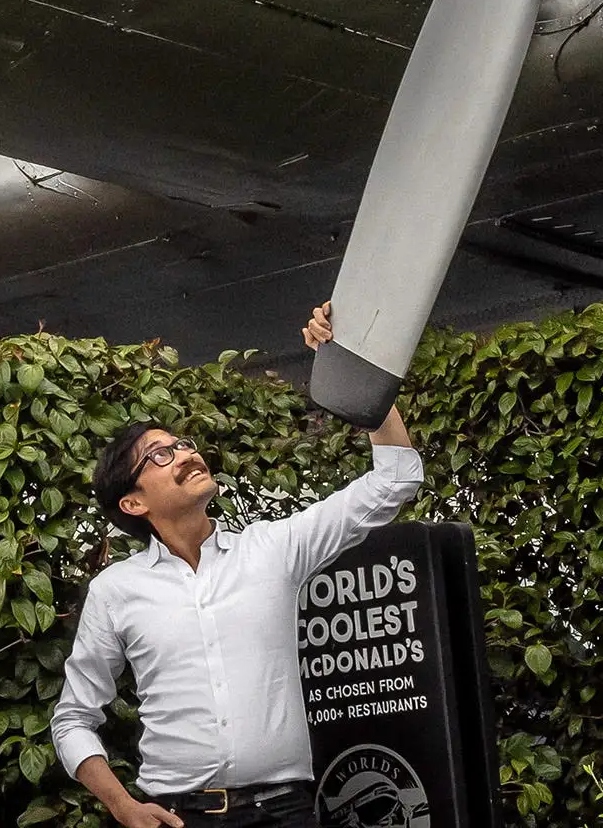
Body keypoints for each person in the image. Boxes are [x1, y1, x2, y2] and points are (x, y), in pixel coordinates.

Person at [52, 301, 422, 828]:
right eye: (159, 456)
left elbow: (395, 479)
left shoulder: (272, 549)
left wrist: (353, 367)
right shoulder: (115, 591)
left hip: (287, 813)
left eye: (181, 444)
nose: (184, 454)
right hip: (180, 819)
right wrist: (123, 807)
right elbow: (72, 719)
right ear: (133, 503)